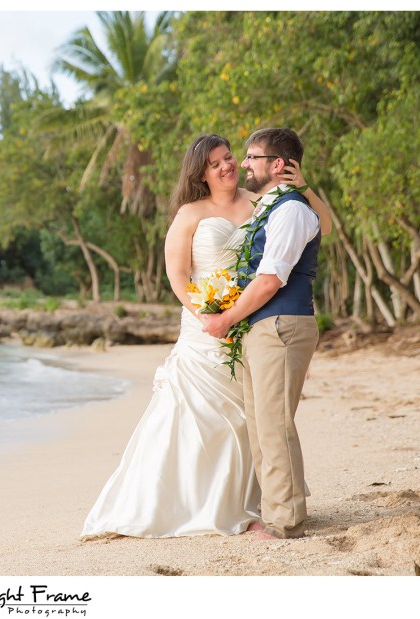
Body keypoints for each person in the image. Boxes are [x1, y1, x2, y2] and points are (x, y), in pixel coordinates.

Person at [80, 133, 330, 539]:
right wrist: (211, 317)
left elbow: (321, 225)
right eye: (216, 163)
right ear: (201, 173)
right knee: (196, 417)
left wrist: (303, 185)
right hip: (208, 328)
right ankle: (188, 504)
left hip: (251, 319)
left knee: (255, 418)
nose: (227, 166)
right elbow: (178, 278)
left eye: (229, 157)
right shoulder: (190, 213)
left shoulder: (263, 202)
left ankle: (248, 506)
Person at [201, 128, 322, 540]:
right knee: (261, 422)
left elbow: (270, 279)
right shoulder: (271, 206)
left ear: (278, 165)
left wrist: (226, 319)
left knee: (273, 424)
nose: (243, 164)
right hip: (264, 326)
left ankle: (286, 521)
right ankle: (276, 513)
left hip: (282, 325)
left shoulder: (290, 210)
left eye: (252, 157)